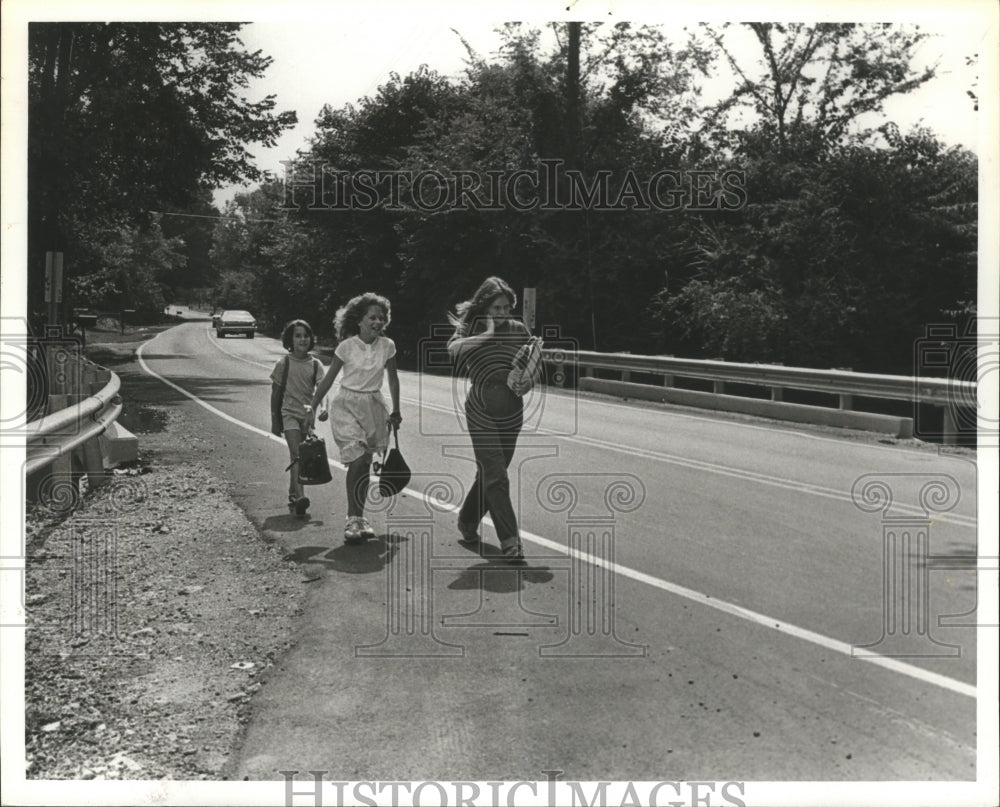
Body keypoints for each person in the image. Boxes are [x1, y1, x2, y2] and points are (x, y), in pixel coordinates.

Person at [447, 276, 535, 561]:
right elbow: (453, 349)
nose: (502, 313)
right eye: (496, 307)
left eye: (506, 307)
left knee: (490, 472)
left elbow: (533, 365)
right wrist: (486, 334)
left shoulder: (519, 330)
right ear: (485, 306)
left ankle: (467, 519)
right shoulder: (472, 329)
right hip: (481, 405)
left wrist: (528, 382)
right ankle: (510, 541)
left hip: (512, 407)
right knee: (497, 476)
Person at [307, 293, 402, 543]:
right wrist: (312, 407)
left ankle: (361, 518)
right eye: (372, 317)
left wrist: (396, 410)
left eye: (382, 318)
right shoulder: (346, 347)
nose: (378, 322)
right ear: (359, 321)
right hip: (347, 405)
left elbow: (393, 379)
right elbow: (328, 380)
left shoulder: (388, 346)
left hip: (373, 407)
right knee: (358, 459)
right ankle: (352, 518)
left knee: (364, 464)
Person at [270, 319, 327, 517]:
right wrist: (274, 420)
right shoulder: (283, 363)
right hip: (289, 415)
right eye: (297, 335)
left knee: (302, 458)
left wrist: (322, 409)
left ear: (311, 339)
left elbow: (322, 389)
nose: (302, 339)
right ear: (290, 339)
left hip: (307, 418)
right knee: (297, 455)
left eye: (306, 335)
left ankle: (293, 493)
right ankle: (301, 496)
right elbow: (275, 394)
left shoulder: (316, 364)